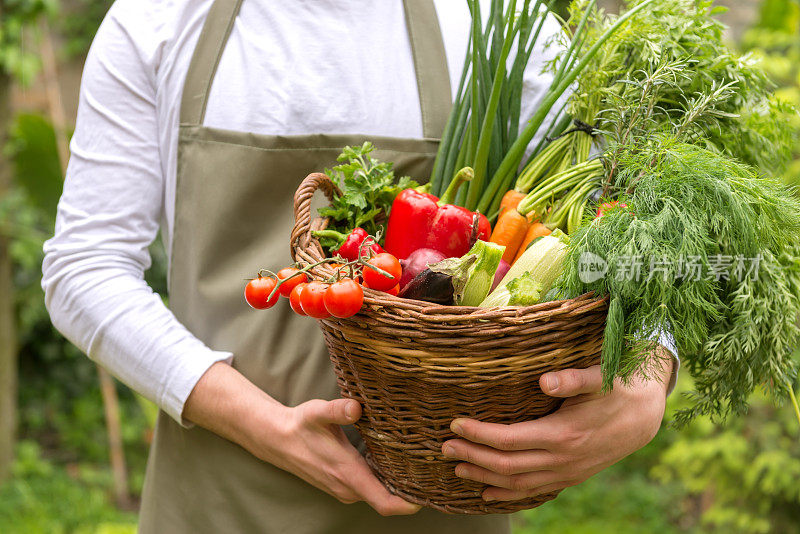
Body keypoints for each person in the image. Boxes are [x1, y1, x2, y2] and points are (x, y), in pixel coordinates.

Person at [42, 0, 677, 532]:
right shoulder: (158, 20)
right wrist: (266, 426)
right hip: (218, 499)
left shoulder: (500, 21)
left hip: (447, 501)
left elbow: (622, 228)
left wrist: (650, 378)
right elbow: (84, 266)